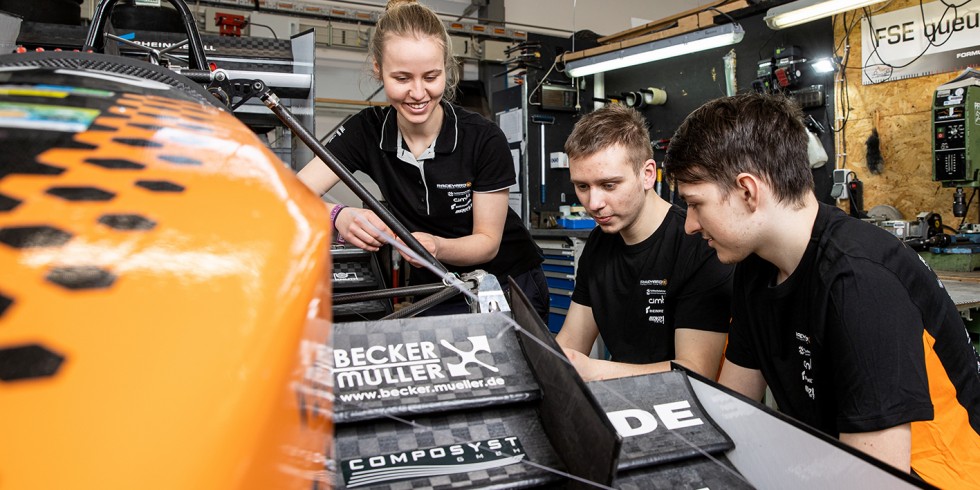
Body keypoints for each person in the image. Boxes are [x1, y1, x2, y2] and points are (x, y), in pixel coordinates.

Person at [664, 93, 980, 486]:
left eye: (696, 204)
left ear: (748, 191)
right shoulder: (755, 267)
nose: (690, 225)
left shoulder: (859, 283)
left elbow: (873, 483)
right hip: (834, 466)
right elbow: (734, 413)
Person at [297, 0, 548, 319]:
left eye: (431, 77)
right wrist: (338, 215)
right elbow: (287, 194)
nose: (418, 93)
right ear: (378, 68)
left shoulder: (482, 138)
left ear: (447, 66)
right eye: (402, 78)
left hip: (507, 283)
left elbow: (487, 242)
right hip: (436, 286)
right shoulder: (367, 131)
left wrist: (437, 246)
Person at [555, 104, 733, 381]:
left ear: (647, 174)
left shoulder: (698, 245)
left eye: (609, 185)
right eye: (582, 186)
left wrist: (595, 371)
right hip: (623, 394)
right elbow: (570, 342)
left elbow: (696, 372)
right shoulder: (599, 244)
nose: (594, 204)